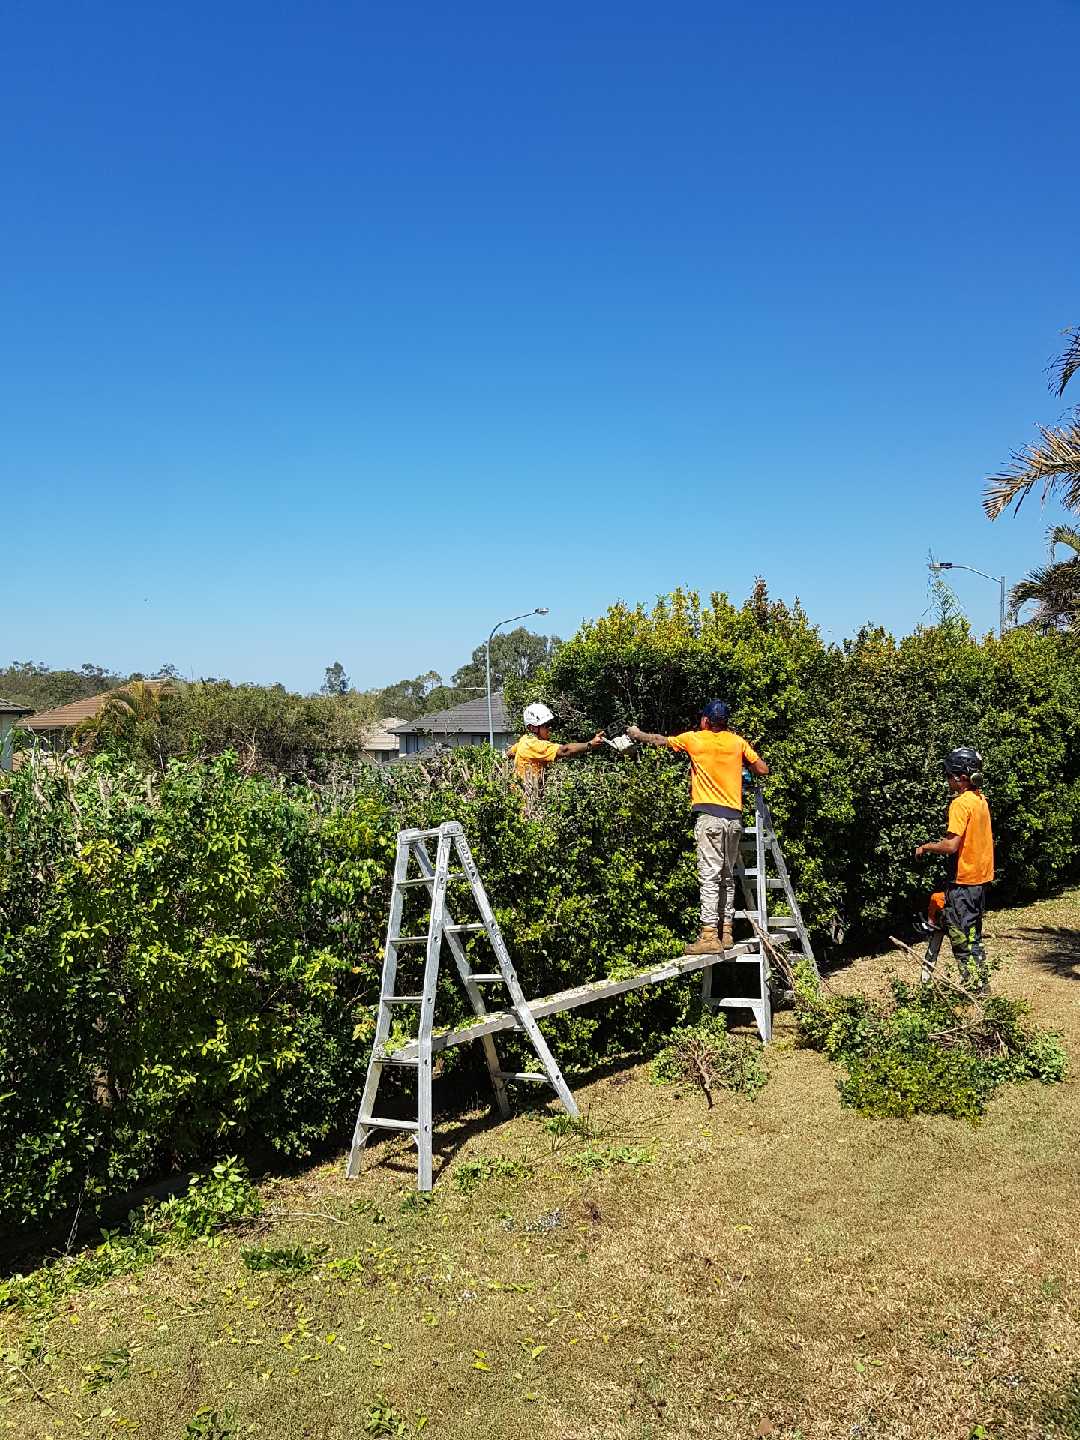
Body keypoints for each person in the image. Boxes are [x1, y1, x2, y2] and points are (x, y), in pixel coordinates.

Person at [627, 701, 768, 954]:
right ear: (725, 722)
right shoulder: (737, 742)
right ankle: (727, 933)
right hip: (734, 819)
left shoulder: (695, 739)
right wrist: (739, 765)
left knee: (710, 876)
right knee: (727, 875)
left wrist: (637, 735)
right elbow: (762, 769)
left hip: (710, 818)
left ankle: (708, 936)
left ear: (705, 721)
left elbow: (661, 741)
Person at [914, 746, 994, 995]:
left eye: (949, 775)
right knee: (972, 936)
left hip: (963, 882)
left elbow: (951, 846)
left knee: (962, 939)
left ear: (960, 778)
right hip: (978, 882)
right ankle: (981, 984)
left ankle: (977, 991)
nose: (947, 780)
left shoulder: (960, 804)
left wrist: (925, 847)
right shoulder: (980, 800)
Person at [507, 702, 604, 799]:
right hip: (526, 800)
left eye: (550, 724)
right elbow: (564, 751)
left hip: (521, 796)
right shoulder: (533, 745)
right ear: (532, 728)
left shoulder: (525, 740)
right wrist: (590, 744)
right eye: (546, 725)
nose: (550, 728)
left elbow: (510, 753)